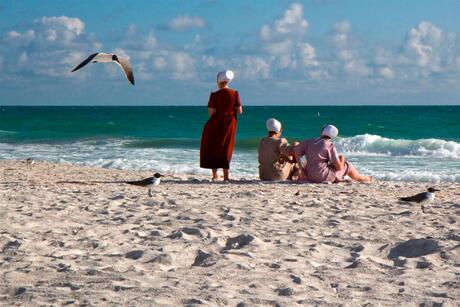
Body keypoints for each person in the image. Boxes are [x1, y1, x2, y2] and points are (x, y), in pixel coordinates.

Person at [200, 70, 243, 181]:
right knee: (226, 147)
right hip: (230, 123)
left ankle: (214, 175)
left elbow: (211, 113)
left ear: (219, 81)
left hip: (215, 123)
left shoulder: (214, 95)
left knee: (213, 147)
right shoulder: (235, 93)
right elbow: (239, 111)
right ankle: (226, 176)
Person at [294, 125, 372, 183]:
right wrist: (342, 158)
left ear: (322, 132)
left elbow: (296, 150)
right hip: (322, 176)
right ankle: (363, 178)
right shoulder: (329, 145)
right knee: (348, 166)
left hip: (309, 175)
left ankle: (345, 178)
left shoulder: (309, 142)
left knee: (330, 166)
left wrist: (301, 169)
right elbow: (339, 168)